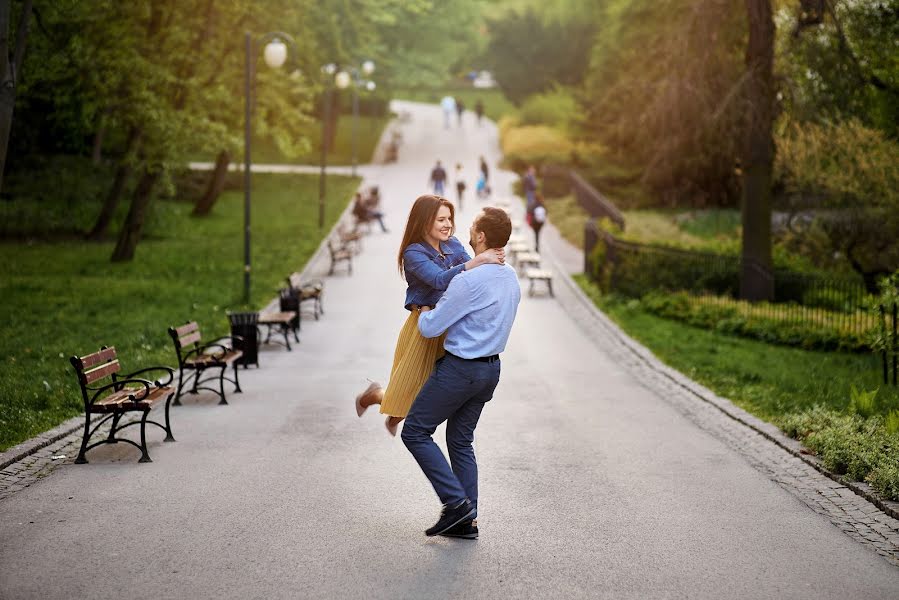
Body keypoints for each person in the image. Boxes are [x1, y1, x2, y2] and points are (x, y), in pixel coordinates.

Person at [402, 207, 521, 539]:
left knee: (414, 431)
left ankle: (457, 505)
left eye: (471, 228)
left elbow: (429, 328)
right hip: (490, 371)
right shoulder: (510, 275)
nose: (465, 232)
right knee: (460, 440)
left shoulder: (467, 281)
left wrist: (425, 307)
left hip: (460, 370)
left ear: (481, 236)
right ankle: (467, 522)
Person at [354, 196, 506, 436]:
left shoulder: (454, 245)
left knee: (425, 395)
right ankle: (375, 396)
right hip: (423, 326)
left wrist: (491, 265)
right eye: (441, 219)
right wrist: (478, 260)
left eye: (449, 219)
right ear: (425, 222)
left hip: (448, 323)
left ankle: (393, 413)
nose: (448, 225)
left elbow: (469, 277)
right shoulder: (413, 253)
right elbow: (437, 279)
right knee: (407, 393)